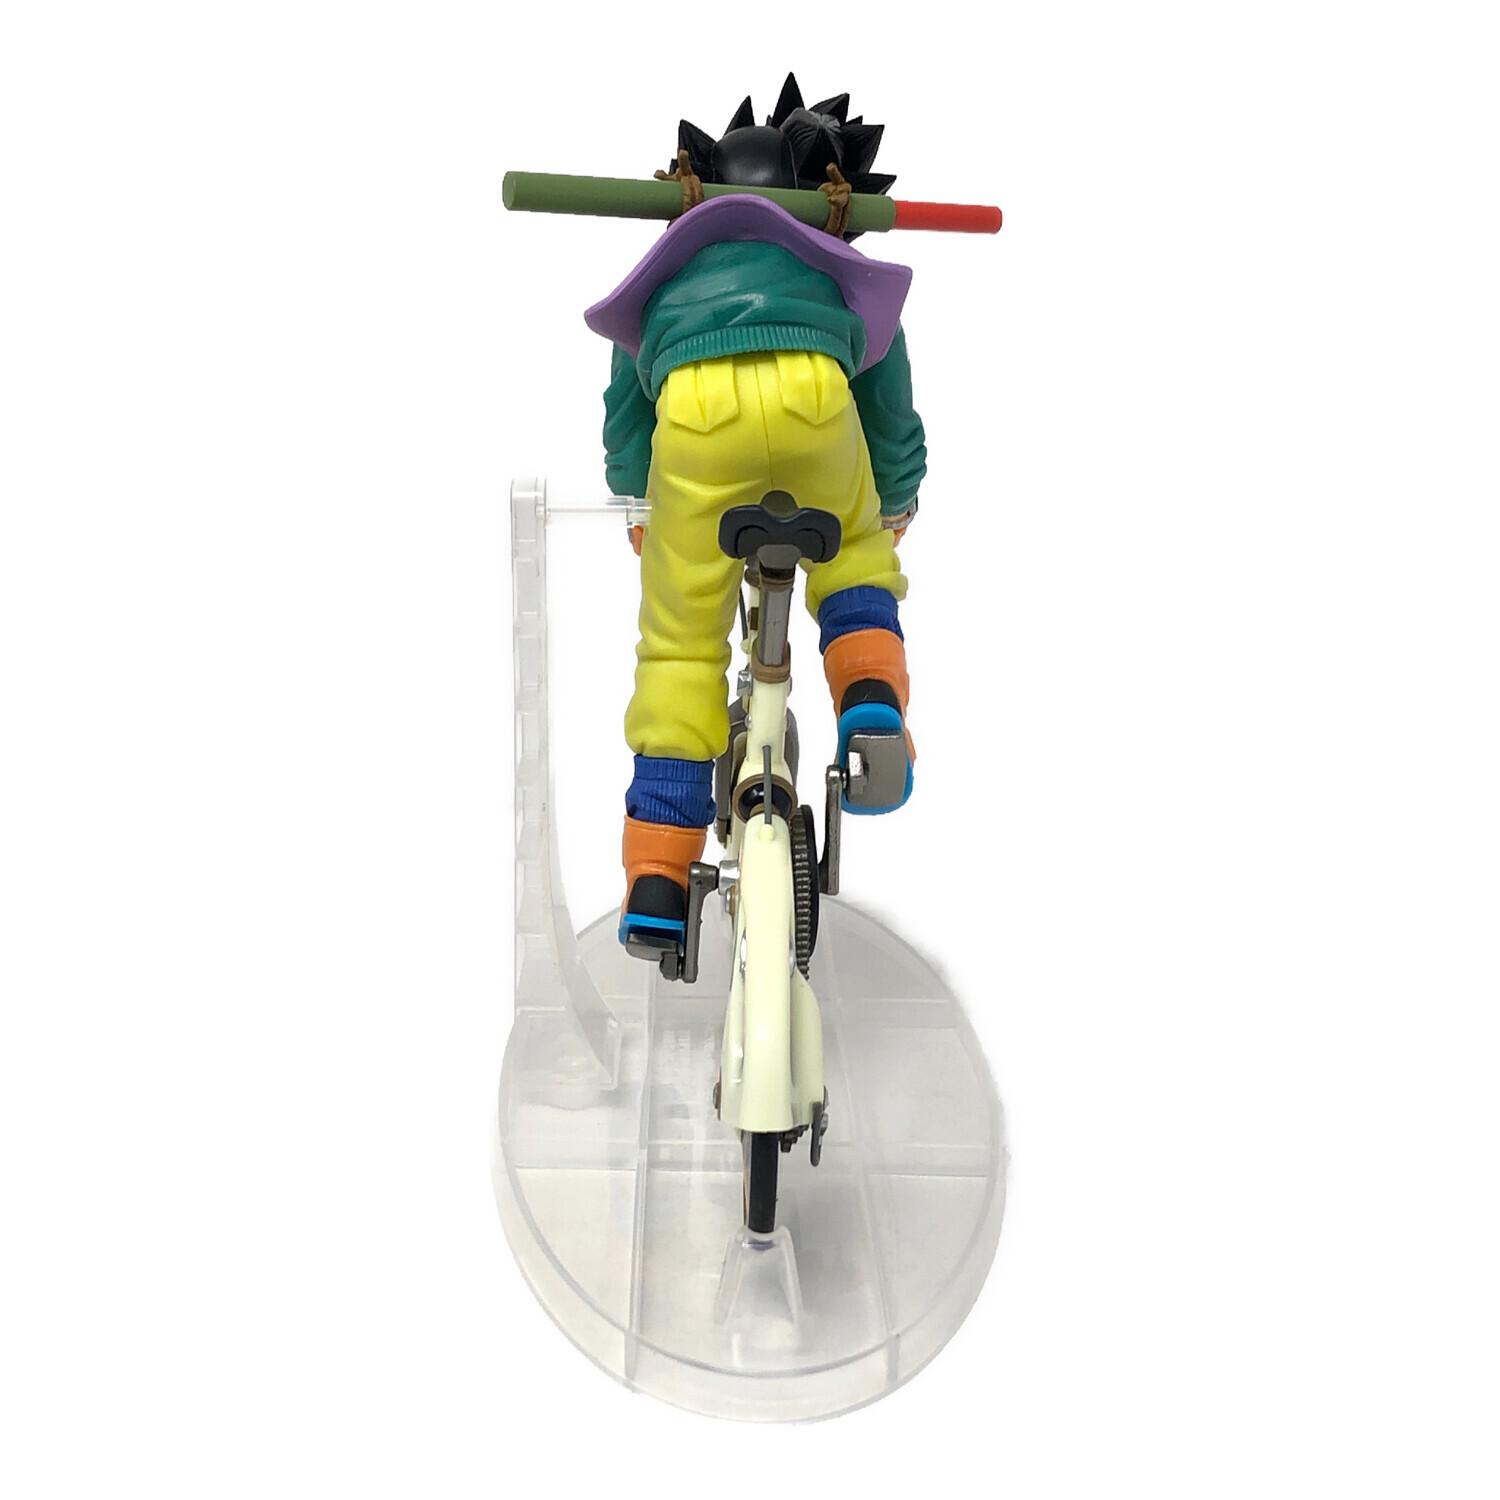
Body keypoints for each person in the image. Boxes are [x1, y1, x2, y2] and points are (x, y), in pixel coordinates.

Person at [585, 75, 927, 959]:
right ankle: (869, 697)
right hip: (818, 405)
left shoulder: (668, 275)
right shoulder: (833, 262)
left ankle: (660, 872)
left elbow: (627, 417)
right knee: (854, 560)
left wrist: (643, 506)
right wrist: (891, 502)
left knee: (681, 645)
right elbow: (887, 405)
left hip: (697, 426)